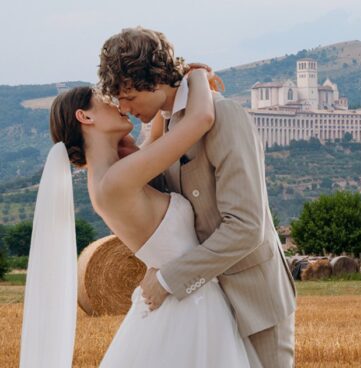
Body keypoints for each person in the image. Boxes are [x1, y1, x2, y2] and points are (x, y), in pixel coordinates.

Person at [98, 27, 296, 367]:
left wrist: (168, 279)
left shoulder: (225, 116)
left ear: (156, 80)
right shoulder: (168, 127)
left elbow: (247, 227)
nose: (125, 108)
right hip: (203, 305)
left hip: (254, 302)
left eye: (128, 96)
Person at [46, 69, 256, 367]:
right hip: (189, 307)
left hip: (187, 296)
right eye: (105, 100)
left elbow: (157, 132)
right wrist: (196, 75)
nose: (119, 104)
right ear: (85, 117)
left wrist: (170, 82)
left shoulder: (113, 174)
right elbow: (200, 120)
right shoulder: (115, 180)